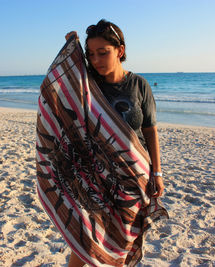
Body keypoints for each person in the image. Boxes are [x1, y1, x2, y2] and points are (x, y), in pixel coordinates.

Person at [64, 19, 165, 267]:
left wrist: (157, 172)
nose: (96, 60)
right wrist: (70, 47)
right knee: (87, 234)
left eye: (103, 52)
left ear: (120, 51)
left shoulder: (139, 85)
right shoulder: (88, 85)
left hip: (134, 175)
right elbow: (64, 79)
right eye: (91, 54)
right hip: (97, 174)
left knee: (124, 238)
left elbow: (150, 130)